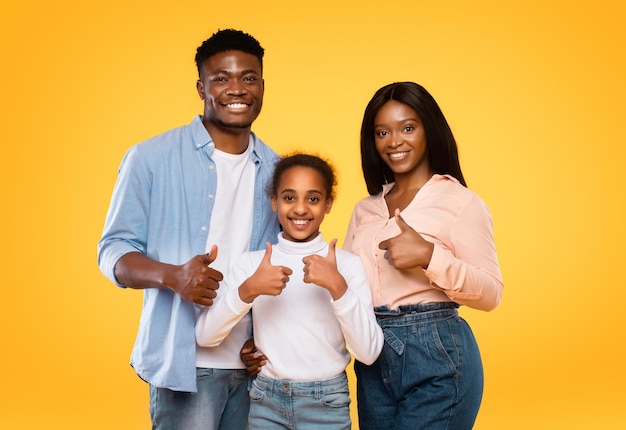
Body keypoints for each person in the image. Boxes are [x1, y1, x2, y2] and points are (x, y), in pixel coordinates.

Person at [97, 29, 280, 430]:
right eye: (221, 78)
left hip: (256, 370)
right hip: (184, 364)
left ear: (262, 85)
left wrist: (269, 339)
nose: (237, 89)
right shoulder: (150, 157)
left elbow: (278, 265)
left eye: (249, 78)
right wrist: (172, 276)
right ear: (201, 87)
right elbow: (112, 251)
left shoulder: (277, 170)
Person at [343, 81, 504, 430]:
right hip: (372, 355)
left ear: (429, 130)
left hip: (437, 354)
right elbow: (346, 294)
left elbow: (492, 293)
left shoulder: (460, 202)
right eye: (382, 132)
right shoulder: (364, 210)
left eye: (408, 127)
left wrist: (430, 257)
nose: (394, 141)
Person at [196, 153, 384, 429]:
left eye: (313, 198)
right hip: (266, 401)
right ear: (274, 201)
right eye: (289, 197)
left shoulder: (347, 265)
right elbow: (206, 336)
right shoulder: (252, 264)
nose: (300, 209)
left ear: (328, 203)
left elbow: (368, 352)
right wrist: (248, 291)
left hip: (327, 403)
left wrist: (338, 287)